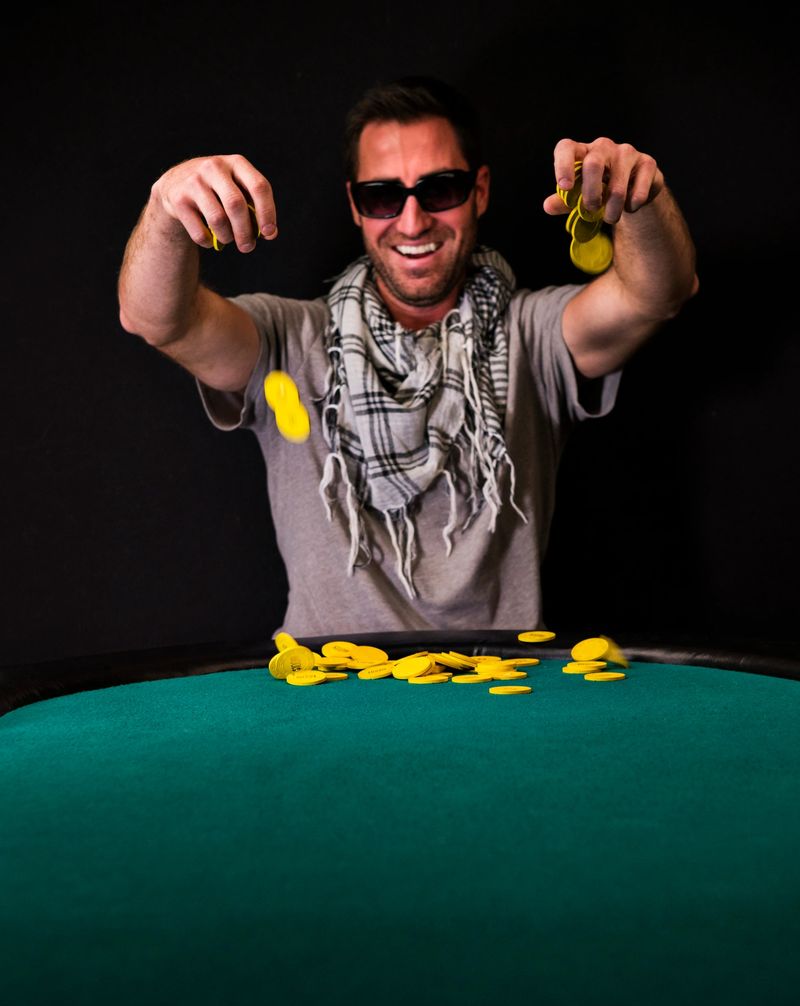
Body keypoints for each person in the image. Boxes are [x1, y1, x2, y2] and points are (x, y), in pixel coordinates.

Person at [118, 75, 698, 638]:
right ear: (355, 205)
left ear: (481, 191)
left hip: (501, 695)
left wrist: (641, 196)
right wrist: (166, 209)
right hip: (329, 699)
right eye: (383, 195)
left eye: (440, 189)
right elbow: (156, 319)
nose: (413, 220)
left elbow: (657, 293)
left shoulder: (533, 333)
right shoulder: (290, 338)